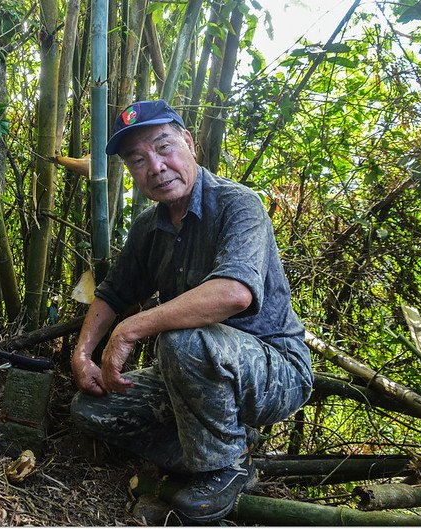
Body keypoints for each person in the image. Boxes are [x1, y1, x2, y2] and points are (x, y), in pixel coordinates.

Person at [70, 99, 313, 523]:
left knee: (182, 339)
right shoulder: (149, 226)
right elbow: (113, 292)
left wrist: (129, 331)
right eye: (138, 160)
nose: (156, 167)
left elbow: (233, 293)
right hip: (194, 375)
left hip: (274, 371)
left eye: (164, 148)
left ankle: (224, 468)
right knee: (90, 411)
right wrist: (83, 353)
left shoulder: (239, 204)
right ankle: (226, 445)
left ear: (189, 142)